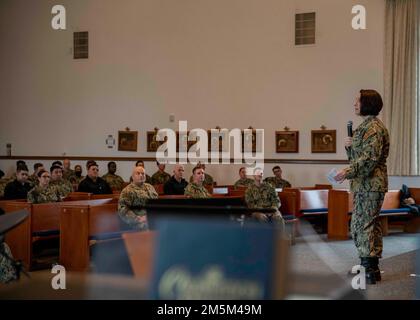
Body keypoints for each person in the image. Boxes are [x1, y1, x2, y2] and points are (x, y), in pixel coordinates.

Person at [334, 89, 389, 285]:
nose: (354, 104)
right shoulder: (365, 127)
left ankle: (367, 269)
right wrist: (350, 146)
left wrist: (346, 172)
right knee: (367, 226)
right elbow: (358, 158)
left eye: (357, 101)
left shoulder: (372, 128)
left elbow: (368, 161)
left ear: (368, 103)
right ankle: (371, 268)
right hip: (364, 185)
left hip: (371, 185)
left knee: (362, 226)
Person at [118, 166, 158, 230]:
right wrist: (137, 219)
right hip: (138, 221)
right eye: (138, 173)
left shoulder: (150, 187)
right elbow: (123, 209)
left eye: (143, 173)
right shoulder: (127, 190)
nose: (141, 175)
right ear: (133, 176)